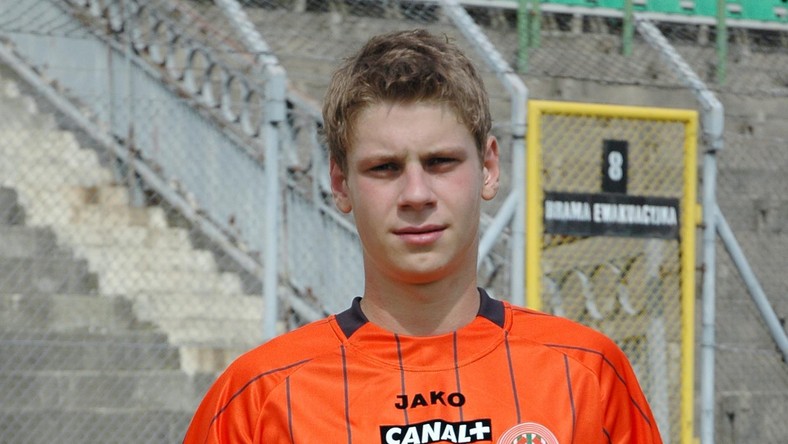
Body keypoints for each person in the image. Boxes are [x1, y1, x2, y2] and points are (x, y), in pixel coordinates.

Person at [183, 29, 662, 444]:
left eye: (440, 162)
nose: (416, 194)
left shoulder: (587, 375)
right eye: (385, 168)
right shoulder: (259, 399)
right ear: (341, 184)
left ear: (489, 168)